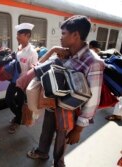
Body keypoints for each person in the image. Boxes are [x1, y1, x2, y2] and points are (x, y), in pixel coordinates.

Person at [27, 15, 104, 167]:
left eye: (63, 34)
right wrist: (55, 52)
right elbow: (39, 67)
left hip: (69, 111)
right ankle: (42, 152)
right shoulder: (67, 53)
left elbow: (93, 100)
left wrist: (79, 128)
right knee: (46, 130)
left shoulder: (93, 62)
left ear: (75, 35)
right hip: (53, 103)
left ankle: (58, 163)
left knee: (61, 141)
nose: (60, 38)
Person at [5, 23, 38, 134]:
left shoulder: (32, 52)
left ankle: (17, 121)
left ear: (27, 35)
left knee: (19, 102)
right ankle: (19, 116)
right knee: (8, 99)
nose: (17, 37)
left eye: (19, 35)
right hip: (14, 80)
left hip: (23, 83)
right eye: (17, 34)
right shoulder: (19, 48)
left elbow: (34, 70)